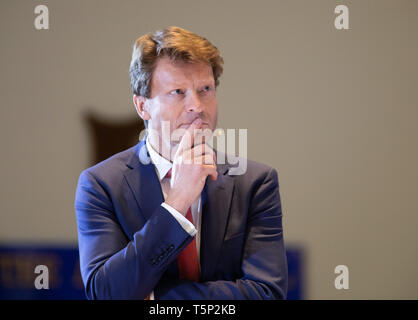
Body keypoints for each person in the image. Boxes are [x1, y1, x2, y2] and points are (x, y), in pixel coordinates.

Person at [74, 26, 288, 299]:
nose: (197, 106)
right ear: (143, 106)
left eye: (205, 89)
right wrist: (177, 203)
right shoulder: (101, 185)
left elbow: (267, 293)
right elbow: (106, 293)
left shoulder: (255, 182)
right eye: (178, 92)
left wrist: (153, 297)